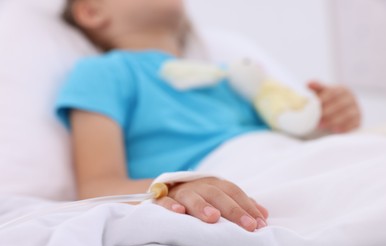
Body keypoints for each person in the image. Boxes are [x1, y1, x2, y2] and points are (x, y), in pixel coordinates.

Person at [56, 0, 361, 232]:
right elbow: (96, 186)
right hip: (229, 177)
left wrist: (332, 117)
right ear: (91, 11)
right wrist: (175, 186)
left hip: (284, 158)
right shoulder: (103, 72)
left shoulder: (230, 78)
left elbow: (291, 143)